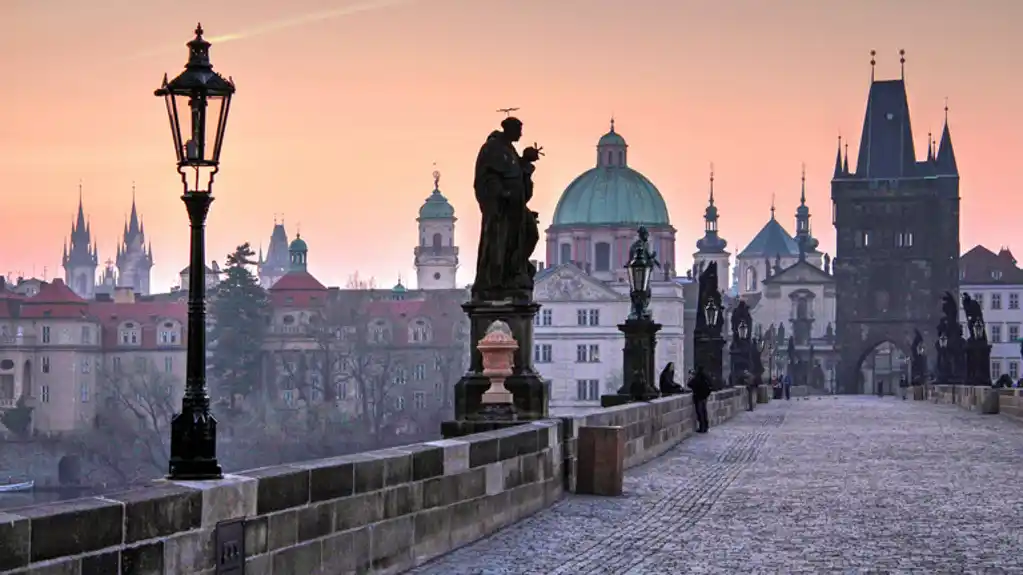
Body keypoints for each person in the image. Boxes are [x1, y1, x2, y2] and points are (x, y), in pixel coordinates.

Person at [689, 365, 712, 433]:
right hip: (704, 397)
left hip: (699, 397)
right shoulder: (706, 377)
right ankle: (706, 426)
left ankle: (702, 427)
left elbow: (690, 384)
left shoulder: (698, 377)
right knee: (704, 412)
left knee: (700, 412)